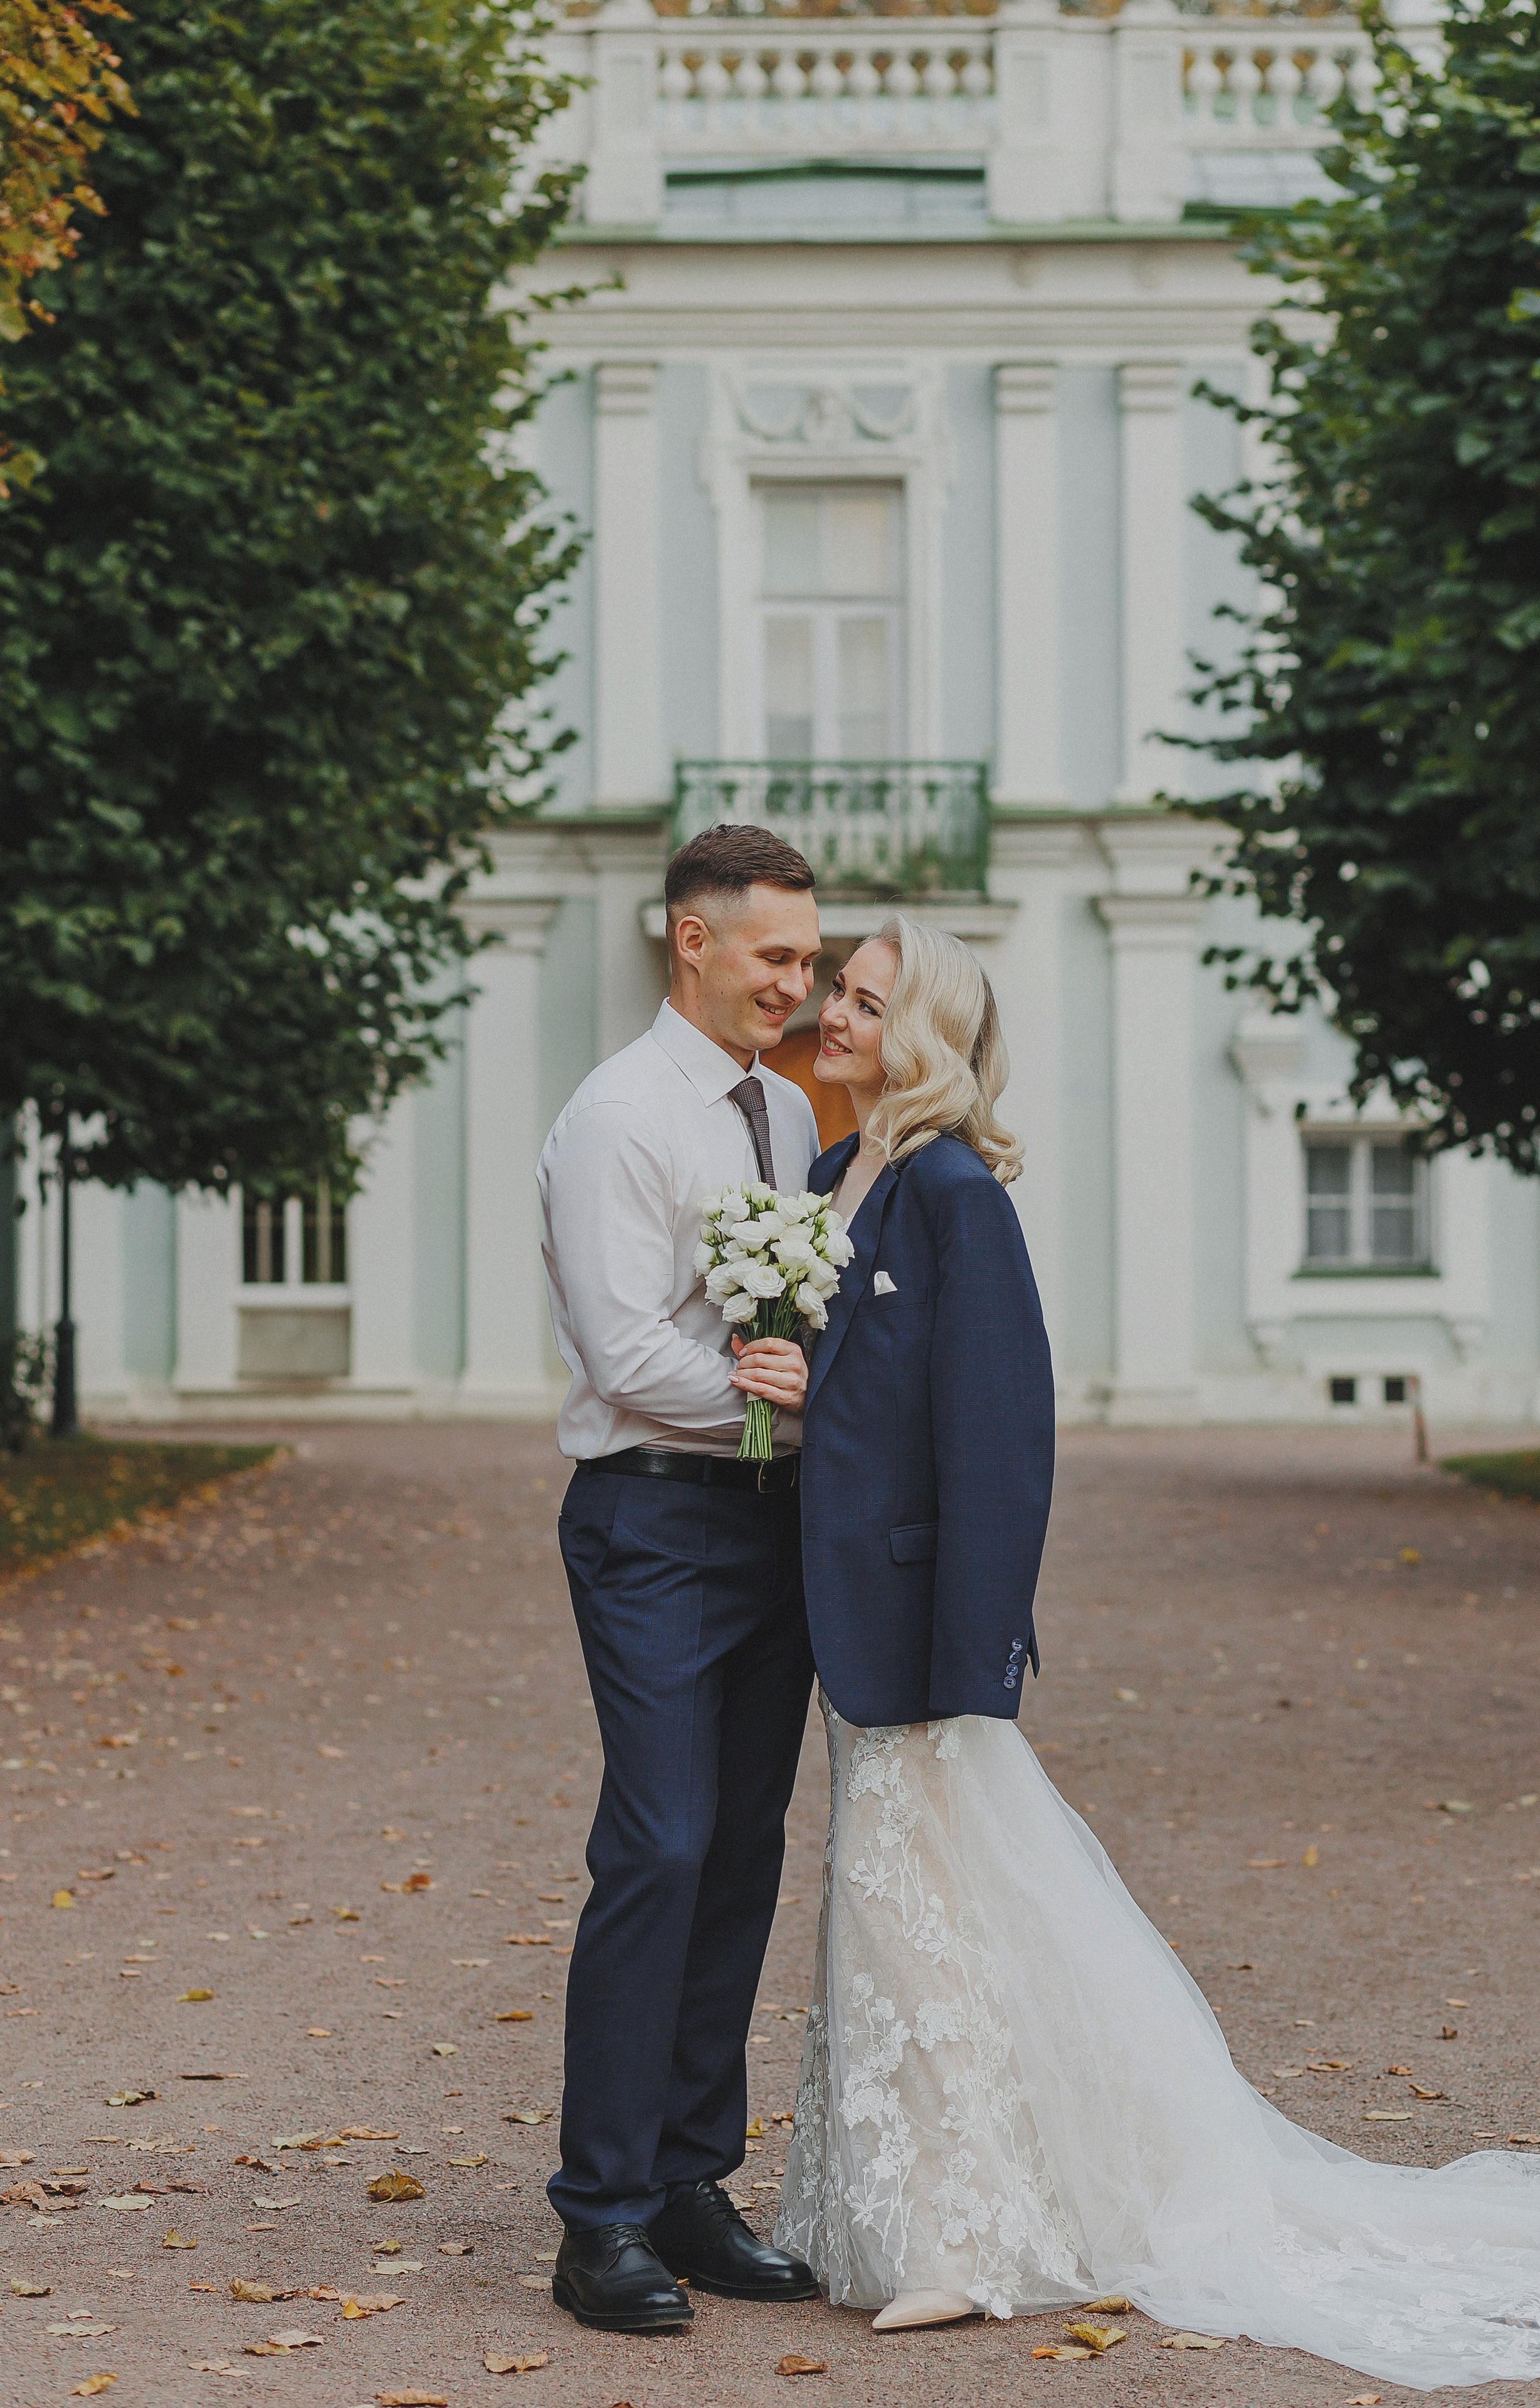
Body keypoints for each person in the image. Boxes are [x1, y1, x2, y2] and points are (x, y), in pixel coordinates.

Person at [773, 918, 1540, 2390]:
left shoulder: (956, 1193)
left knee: (934, 1923)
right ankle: (893, 2215)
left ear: (927, 1034)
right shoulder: (839, 1180)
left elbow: (998, 1441)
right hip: (847, 1618)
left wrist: (977, 1655)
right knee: (893, 1919)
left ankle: (961, 2241)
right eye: (835, 989)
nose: (832, 1010)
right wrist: (782, 1375)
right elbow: (848, 1395)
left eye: (861, 996)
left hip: (916, 1633)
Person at [537, 823, 825, 2333]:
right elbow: (620, 1351)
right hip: (650, 1519)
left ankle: (687, 2177)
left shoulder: (781, 1106)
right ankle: (596, 2218)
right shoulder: (616, 1117)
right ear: (691, 940)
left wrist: (808, 1403)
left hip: (771, 1521)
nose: (798, 979)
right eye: (774, 953)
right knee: (656, 1844)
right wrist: (777, 1396)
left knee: (740, 1852)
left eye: (806, 954)